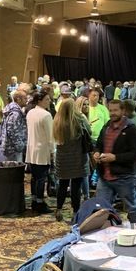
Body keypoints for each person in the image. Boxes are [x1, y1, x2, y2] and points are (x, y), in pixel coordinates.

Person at [93, 99, 136, 224]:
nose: (112, 113)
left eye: (115, 110)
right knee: (101, 209)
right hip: (104, 177)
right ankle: (105, 235)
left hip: (124, 177)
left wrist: (115, 157)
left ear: (123, 111)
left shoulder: (131, 129)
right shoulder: (106, 126)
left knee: (132, 208)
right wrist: (97, 152)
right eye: (110, 110)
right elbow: (99, 144)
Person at [52, 92, 92, 221]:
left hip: (62, 157)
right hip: (77, 157)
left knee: (63, 184)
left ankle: (58, 209)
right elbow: (89, 131)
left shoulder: (57, 121)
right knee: (76, 186)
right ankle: (75, 212)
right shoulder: (79, 119)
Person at [26, 89, 54, 214]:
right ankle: (39, 202)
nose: (49, 101)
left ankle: (34, 200)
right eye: (47, 99)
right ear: (39, 101)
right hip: (42, 149)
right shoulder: (46, 115)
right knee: (41, 178)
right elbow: (50, 136)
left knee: (34, 177)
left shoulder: (30, 112)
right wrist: (53, 151)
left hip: (32, 148)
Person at [0, 89, 28, 162]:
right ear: (18, 99)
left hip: (11, 147)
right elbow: (11, 130)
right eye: (25, 98)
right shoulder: (15, 113)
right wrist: (19, 146)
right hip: (13, 149)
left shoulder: (11, 109)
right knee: (14, 170)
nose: (27, 100)